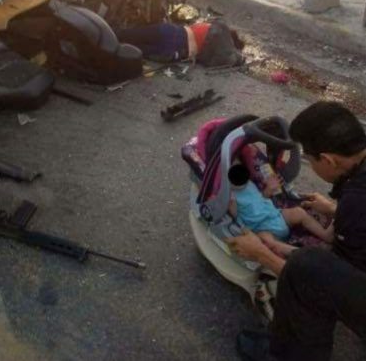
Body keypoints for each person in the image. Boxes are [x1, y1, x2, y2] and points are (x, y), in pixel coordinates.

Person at [228, 101, 366, 361]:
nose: (310, 163)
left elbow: (325, 281)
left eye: (309, 158)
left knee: (307, 268)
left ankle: (287, 354)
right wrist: (335, 210)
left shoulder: (357, 203)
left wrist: (263, 254)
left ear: (328, 160)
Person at [228, 164, 334, 257]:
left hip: (275, 216)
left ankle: (325, 235)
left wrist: (269, 189)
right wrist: (230, 202)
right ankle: (303, 255)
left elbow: (260, 199)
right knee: (266, 241)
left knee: (298, 212)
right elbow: (235, 215)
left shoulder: (249, 183)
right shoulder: (231, 195)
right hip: (261, 227)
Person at [117, 20, 244, 67]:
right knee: (127, 48)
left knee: (125, 35)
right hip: (174, 49)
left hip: (171, 32)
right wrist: (240, 57)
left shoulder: (215, 27)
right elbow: (228, 58)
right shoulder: (222, 34)